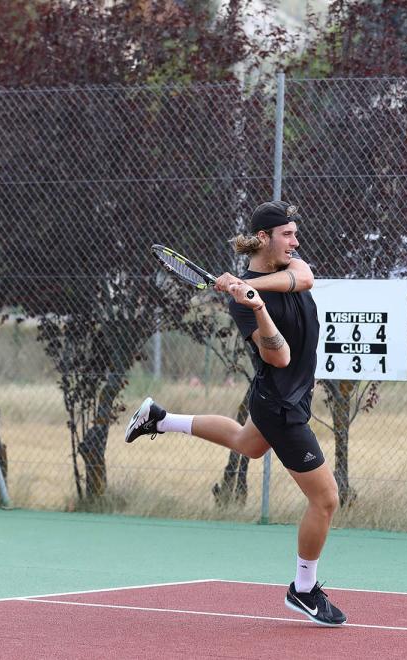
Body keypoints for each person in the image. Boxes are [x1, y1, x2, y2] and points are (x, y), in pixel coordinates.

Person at [124, 200, 346, 627]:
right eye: (287, 235)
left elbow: (307, 276)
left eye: (295, 234)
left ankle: (159, 418)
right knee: (325, 498)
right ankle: (302, 590)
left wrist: (256, 289)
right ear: (264, 239)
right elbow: (277, 358)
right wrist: (256, 306)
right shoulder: (242, 303)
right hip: (280, 401)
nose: (295, 242)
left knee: (248, 444)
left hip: (292, 395)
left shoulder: (289, 268)